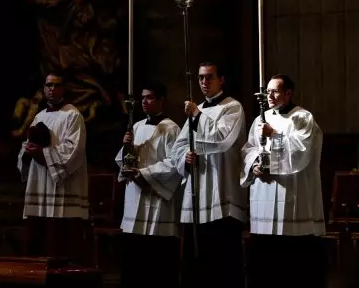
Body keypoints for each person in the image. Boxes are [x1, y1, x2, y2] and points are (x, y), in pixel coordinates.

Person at [241, 74, 326, 288]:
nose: (269, 95)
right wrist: (254, 165)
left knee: (291, 267)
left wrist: (274, 135)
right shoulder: (261, 118)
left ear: (288, 93)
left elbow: (300, 152)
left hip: (292, 198)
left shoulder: (303, 117)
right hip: (264, 196)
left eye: (275, 91)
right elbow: (249, 149)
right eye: (267, 91)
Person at [176, 61, 249, 288]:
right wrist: (185, 158)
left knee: (224, 261)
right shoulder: (195, 111)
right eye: (200, 78)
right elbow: (178, 146)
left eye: (209, 77)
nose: (204, 82)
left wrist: (197, 115)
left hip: (222, 193)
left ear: (221, 80)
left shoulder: (232, 108)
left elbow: (222, 140)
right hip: (198, 191)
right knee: (196, 260)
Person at [16, 71, 89, 264]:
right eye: (49, 85)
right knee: (38, 244)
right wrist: (27, 151)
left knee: (61, 246)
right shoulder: (39, 116)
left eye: (57, 85)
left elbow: (73, 151)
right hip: (39, 184)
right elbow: (26, 147)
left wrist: (42, 153)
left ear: (64, 88)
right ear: (44, 88)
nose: (52, 89)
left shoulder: (73, 116)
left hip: (62, 190)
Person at [115, 81, 181, 288]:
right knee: (134, 256)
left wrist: (144, 174)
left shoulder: (172, 129)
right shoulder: (136, 126)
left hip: (157, 199)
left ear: (161, 100)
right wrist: (127, 148)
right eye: (142, 97)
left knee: (156, 259)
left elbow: (174, 163)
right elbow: (124, 159)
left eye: (150, 97)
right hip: (135, 197)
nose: (144, 101)